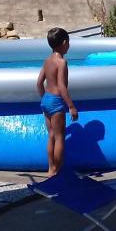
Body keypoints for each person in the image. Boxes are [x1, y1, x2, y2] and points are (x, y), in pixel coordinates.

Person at [38, 27, 79, 176]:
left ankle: (50, 169)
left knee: (51, 136)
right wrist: (71, 106)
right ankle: (56, 172)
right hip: (56, 101)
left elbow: (39, 83)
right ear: (64, 43)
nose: (69, 46)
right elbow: (61, 86)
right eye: (68, 43)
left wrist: (44, 99)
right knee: (60, 137)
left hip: (46, 100)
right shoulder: (61, 62)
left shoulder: (47, 61)